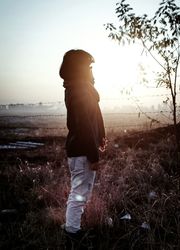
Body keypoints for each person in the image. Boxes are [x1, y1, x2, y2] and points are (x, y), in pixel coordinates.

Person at [59, 49, 106, 237]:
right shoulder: (79, 90)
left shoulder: (80, 88)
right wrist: (93, 155)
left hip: (82, 149)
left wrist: (100, 138)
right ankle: (72, 231)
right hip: (82, 151)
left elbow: (93, 119)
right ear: (80, 69)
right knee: (79, 193)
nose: (91, 70)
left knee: (82, 192)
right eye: (88, 66)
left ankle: (73, 226)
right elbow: (85, 126)